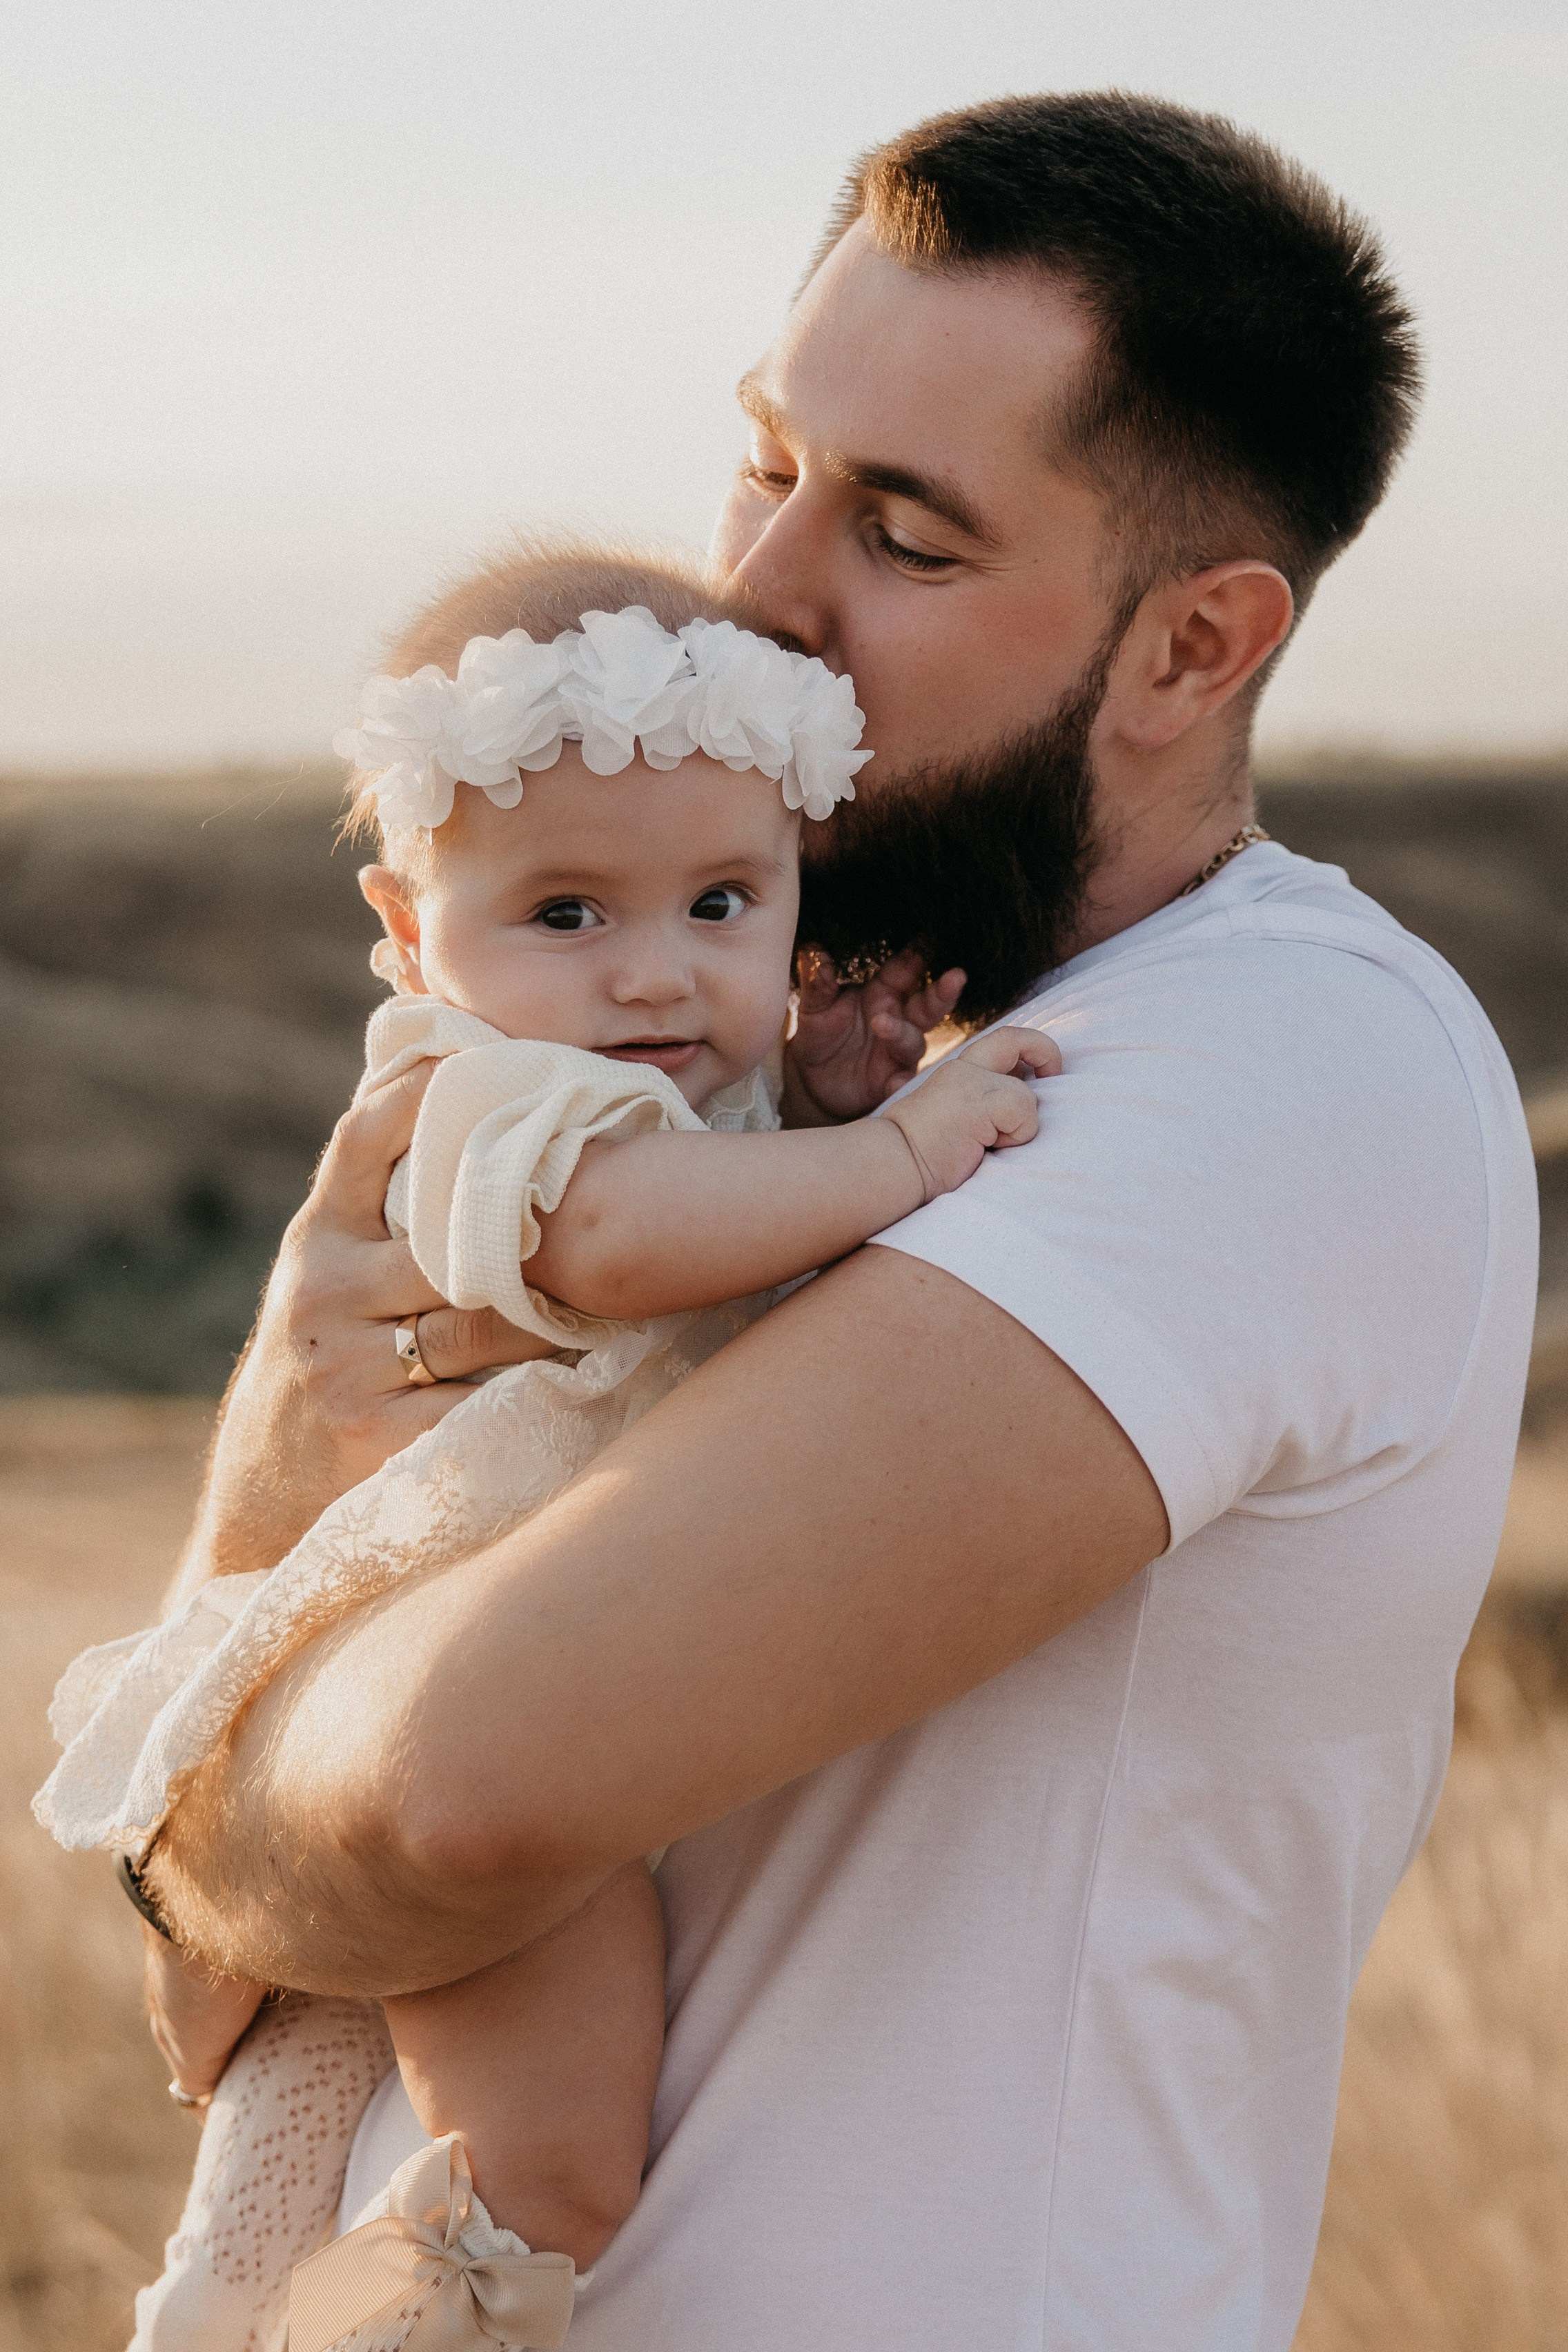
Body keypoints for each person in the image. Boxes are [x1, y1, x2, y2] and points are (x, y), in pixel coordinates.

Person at [133, 92, 1537, 2350]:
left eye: (900, 531)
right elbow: (259, 1915)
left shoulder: (1272, 1064)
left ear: (1193, 650)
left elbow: (451, 1804)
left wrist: (188, 1804)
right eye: (766, 465)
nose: (756, 593)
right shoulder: (761, 1062)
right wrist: (277, 1506)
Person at [39, 547, 1055, 2349]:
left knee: (339, 2117)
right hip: (434, 1681)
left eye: (724, 903)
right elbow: (616, 1238)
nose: (656, 975)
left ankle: (288, 2296)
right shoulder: (481, 1092)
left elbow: (721, 1194)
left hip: (505, 1664)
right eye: (569, 914)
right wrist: (893, 1154)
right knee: (550, 2159)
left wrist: (822, 1097)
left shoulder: (676, 1087)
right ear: (411, 927)